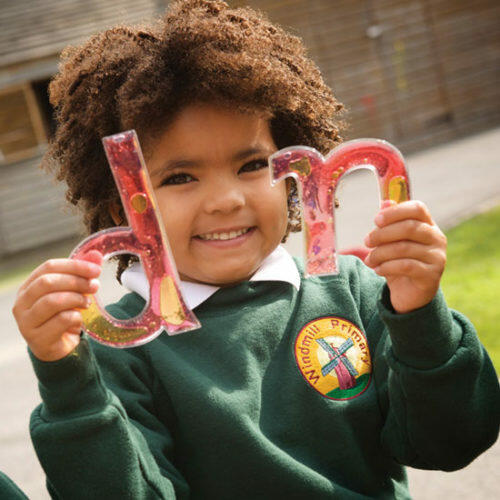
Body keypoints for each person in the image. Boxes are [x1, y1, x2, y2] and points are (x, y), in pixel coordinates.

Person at [12, 0, 499, 498]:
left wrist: (420, 315)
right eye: (180, 177)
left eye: (251, 165)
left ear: (294, 172)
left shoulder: (355, 291)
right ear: (122, 209)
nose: (226, 200)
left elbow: (452, 442)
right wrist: (69, 383)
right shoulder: (118, 351)